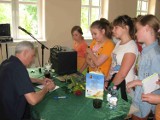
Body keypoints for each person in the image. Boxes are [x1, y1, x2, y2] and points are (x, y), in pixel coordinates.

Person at [0, 41, 55, 120]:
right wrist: (46, 88)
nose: (32, 60)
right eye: (32, 56)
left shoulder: (6, 63)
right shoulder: (19, 69)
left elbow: (19, 79)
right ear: (25, 53)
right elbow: (33, 100)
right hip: (14, 115)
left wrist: (40, 81)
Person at [126, 14, 160, 120]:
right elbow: (145, 74)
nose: (135, 34)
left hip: (146, 101)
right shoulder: (146, 50)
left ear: (147, 28)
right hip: (140, 96)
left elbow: (156, 81)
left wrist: (136, 82)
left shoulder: (155, 54)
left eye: (137, 30)